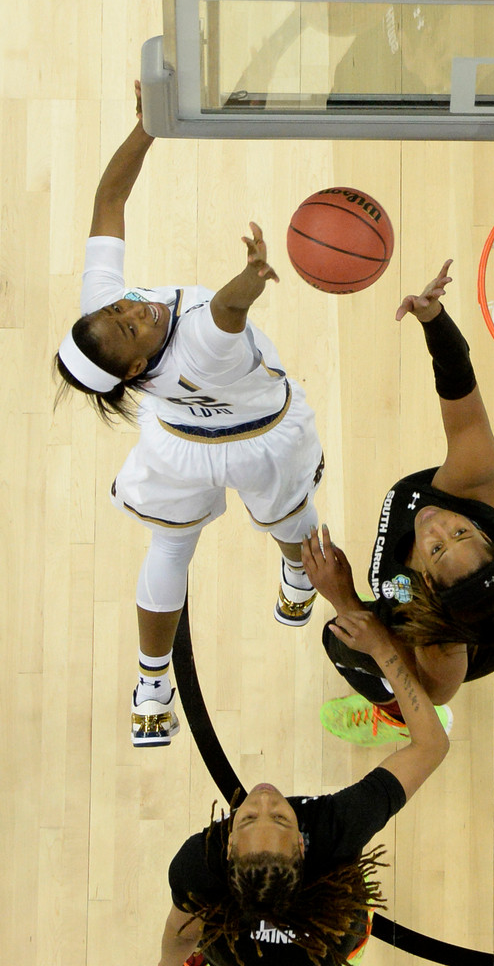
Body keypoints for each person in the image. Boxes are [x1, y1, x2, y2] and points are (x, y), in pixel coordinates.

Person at [53, 84, 324, 747]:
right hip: (261, 437)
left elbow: (108, 201)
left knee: (170, 544)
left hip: (177, 440)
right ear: (137, 371)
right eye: (128, 330)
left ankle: (151, 686)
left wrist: (145, 128)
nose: (129, 313)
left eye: (116, 311)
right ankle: (288, 578)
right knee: (292, 523)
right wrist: (253, 276)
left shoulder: (107, 316)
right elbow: (228, 312)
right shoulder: (198, 346)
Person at [304, 261, 494, 745]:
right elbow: (460, 391)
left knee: (343, 642)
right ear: (483, 533)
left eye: (437, 549)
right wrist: (434, 320)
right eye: (461, 532)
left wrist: (345, 601)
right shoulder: (474, 486)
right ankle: (391, 704)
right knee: (361, 630)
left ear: (428, 585)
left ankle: (391, 715)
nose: (436, 525)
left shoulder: (443, 644)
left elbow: (435, 694)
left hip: (480, 626)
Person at [157, 603, 450, 966]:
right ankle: (388, 710)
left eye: (246, 818)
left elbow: (180, 936)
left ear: (229, 847)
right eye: (280, 817)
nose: (264, 800)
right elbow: (432, 744)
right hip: (332, 946)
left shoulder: (198, 865)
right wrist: (382, 649)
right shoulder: (335, 829)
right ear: (301, 842)